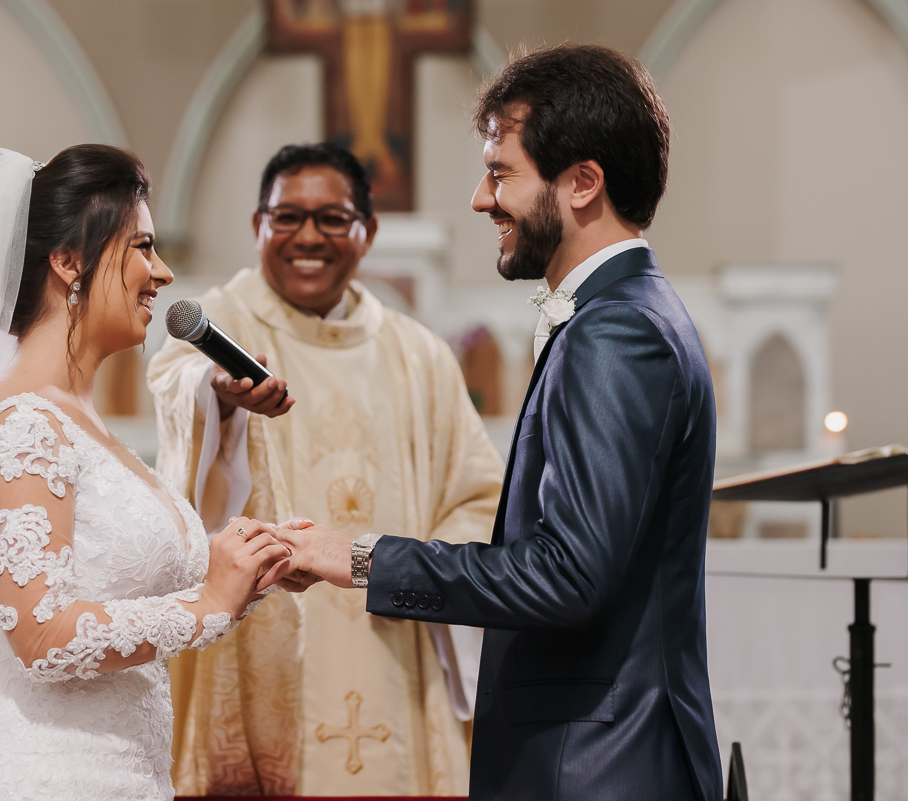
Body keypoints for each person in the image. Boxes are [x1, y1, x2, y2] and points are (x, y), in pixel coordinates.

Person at [275, 45, 724, 801]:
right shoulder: (630, 315)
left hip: (593, 764)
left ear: (583, 182)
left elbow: (568, 575)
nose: (482, 200)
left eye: (500, 172)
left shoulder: (617, 333)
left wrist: (354, 556)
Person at [0, 145, 292, 801]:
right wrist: (208, 604)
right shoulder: (20, 426)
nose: (162, 272)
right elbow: (42, 636)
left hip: (122, 774)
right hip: (43, 775)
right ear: (67, 261)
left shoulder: (78, 419)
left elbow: (140, 584)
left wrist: (254, 569)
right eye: (141, 247)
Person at [146, 143, 504, 795]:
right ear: (257, 226)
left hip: (393, 638)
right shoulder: (216, 330)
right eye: (286, 217)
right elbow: (177, 404)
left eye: (333, 218)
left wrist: (406, 569)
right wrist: (219, 404)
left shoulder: (417, 354)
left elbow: (478, 496)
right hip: (260, 639)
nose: (307, 236)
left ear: (366, 233)